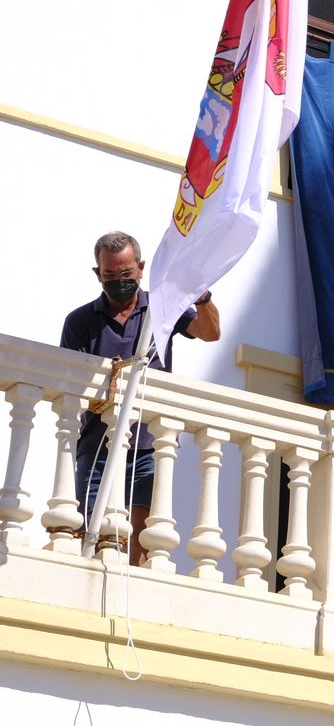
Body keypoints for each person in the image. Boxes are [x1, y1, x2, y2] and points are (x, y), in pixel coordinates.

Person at [60, 231, 221, 563]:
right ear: (97, 274)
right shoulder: (79, 322)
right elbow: (69, 385)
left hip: (148, 446)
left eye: (126, 274)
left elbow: (210, 333)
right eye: (110, 275)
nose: (119, 281)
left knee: (141, 537)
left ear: (142, 268)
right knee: (91, 533)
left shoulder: (161, 310)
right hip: (97, 446)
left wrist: (201, 298)